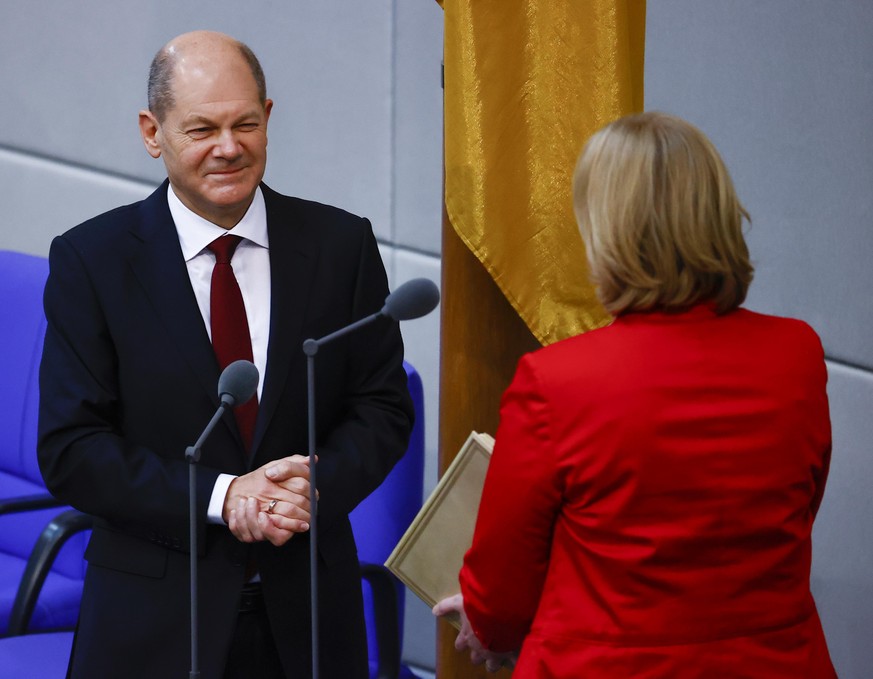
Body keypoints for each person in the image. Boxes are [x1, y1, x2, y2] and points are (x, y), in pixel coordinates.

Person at [38, 30, 413, 679]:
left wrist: (312, 486)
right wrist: (222, 494)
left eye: (245, 124)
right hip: (152, 623)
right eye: (203, 129)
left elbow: (381, 407)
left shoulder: (340, 246)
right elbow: (73, 448)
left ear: (268, 118)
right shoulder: (91, 262)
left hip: (308, 620)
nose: (229, 148)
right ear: (152, 133)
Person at [434, 112, 836, 677]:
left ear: (608, 230)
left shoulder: (557, 382)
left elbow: (500, 602)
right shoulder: (797, 354)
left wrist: (485, 621)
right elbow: (798, 511)